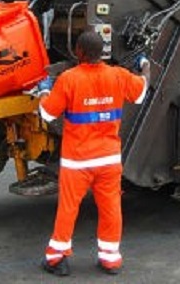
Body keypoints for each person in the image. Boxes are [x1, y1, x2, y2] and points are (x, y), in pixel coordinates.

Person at [37, 30, 151, 277]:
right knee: (111, 207)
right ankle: (110, 259)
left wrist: (44, 89)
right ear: (102, 52)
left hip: (77, 160)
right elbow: (142, 90)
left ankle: (57, 258)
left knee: (68, 208)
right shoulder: (118, 75)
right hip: (108, 159)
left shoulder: (69, 79)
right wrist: (144, 63)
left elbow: (47, 113)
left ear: (78, 52)